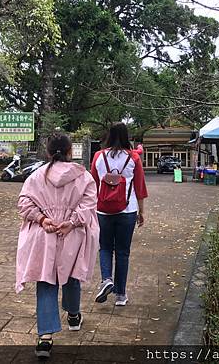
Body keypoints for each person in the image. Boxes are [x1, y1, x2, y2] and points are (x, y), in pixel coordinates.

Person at [16, 133, 99, 359]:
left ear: (48, 153)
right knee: (71, 276)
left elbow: (24, 202)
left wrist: (43, 219)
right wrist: (71, 223)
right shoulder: (84, 177)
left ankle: (45, 339)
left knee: (46, 280)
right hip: (72, 234)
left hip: (45, 234)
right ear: (71, 152)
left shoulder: (36, 176)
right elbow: (90, 203)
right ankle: (73, 315)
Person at [90, 122, 148, 306]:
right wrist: (141, 211)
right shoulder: (133, 158)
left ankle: (106, 279)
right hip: (127, 210)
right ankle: (121, 295)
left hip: (102, 210)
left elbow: (92, 184)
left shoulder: (98, 156)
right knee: (123, 252)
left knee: (105, 247)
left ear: (109, 135)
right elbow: (139, 187)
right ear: (125, 136)